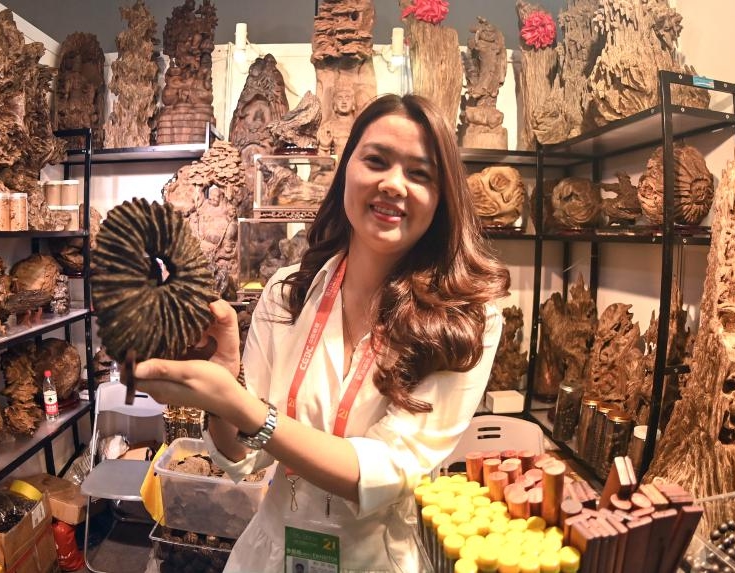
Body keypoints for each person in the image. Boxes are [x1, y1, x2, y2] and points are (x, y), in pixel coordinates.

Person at [134, 94, 510, 571]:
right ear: (346, 171)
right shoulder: (286, 294)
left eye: (420, 173)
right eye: (376, 161)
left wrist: (242, 405)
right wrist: (225, 384)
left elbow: (389, 470)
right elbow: (244, 459)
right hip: (270, 554)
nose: (393, 184)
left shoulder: (465, 322)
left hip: (373, 560)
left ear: (441, 199)